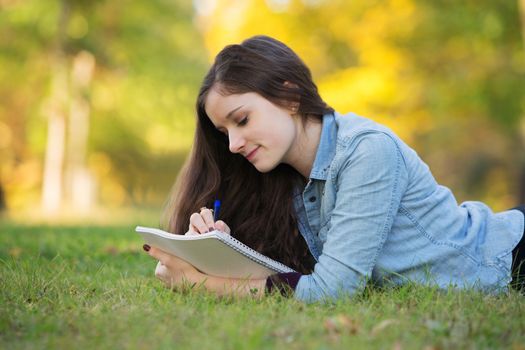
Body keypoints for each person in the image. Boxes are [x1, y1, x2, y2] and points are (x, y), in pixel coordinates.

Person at [143, 35, 525, 303]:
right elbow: (296, 278)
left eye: (241, 120)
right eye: (224, 132)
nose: (232, 144)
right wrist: (219, 249)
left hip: (506, 257)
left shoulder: (366, 152)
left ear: (290, 97)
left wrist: (199, 283)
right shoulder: (284, 172)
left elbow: (332, 291)